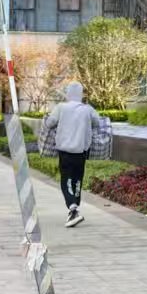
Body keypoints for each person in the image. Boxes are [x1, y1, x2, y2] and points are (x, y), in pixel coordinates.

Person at [40, 81, 98, 228]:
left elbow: (49, 123)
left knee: (66, 180)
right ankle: (74, 208)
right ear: (81, 94)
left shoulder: (61, 107)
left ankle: (73, 209)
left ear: (68, 94)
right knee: (77, 180)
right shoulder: (88, 109)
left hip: (65, 152)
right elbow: (97, 123)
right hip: (81, 151)